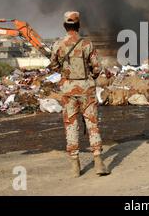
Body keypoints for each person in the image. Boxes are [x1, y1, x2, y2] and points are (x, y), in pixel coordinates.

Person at [49, 11, 110, 178]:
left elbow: (53, 66)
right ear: (78, 25)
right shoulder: (87, 44)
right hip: (86, 89)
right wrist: (90, 77)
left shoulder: (58, 45)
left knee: (71, 125)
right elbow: (97, 68)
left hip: (68, 89)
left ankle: (75, 166)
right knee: (92, 125)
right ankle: (98, 163)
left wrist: (66, 74)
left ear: (64, 25)